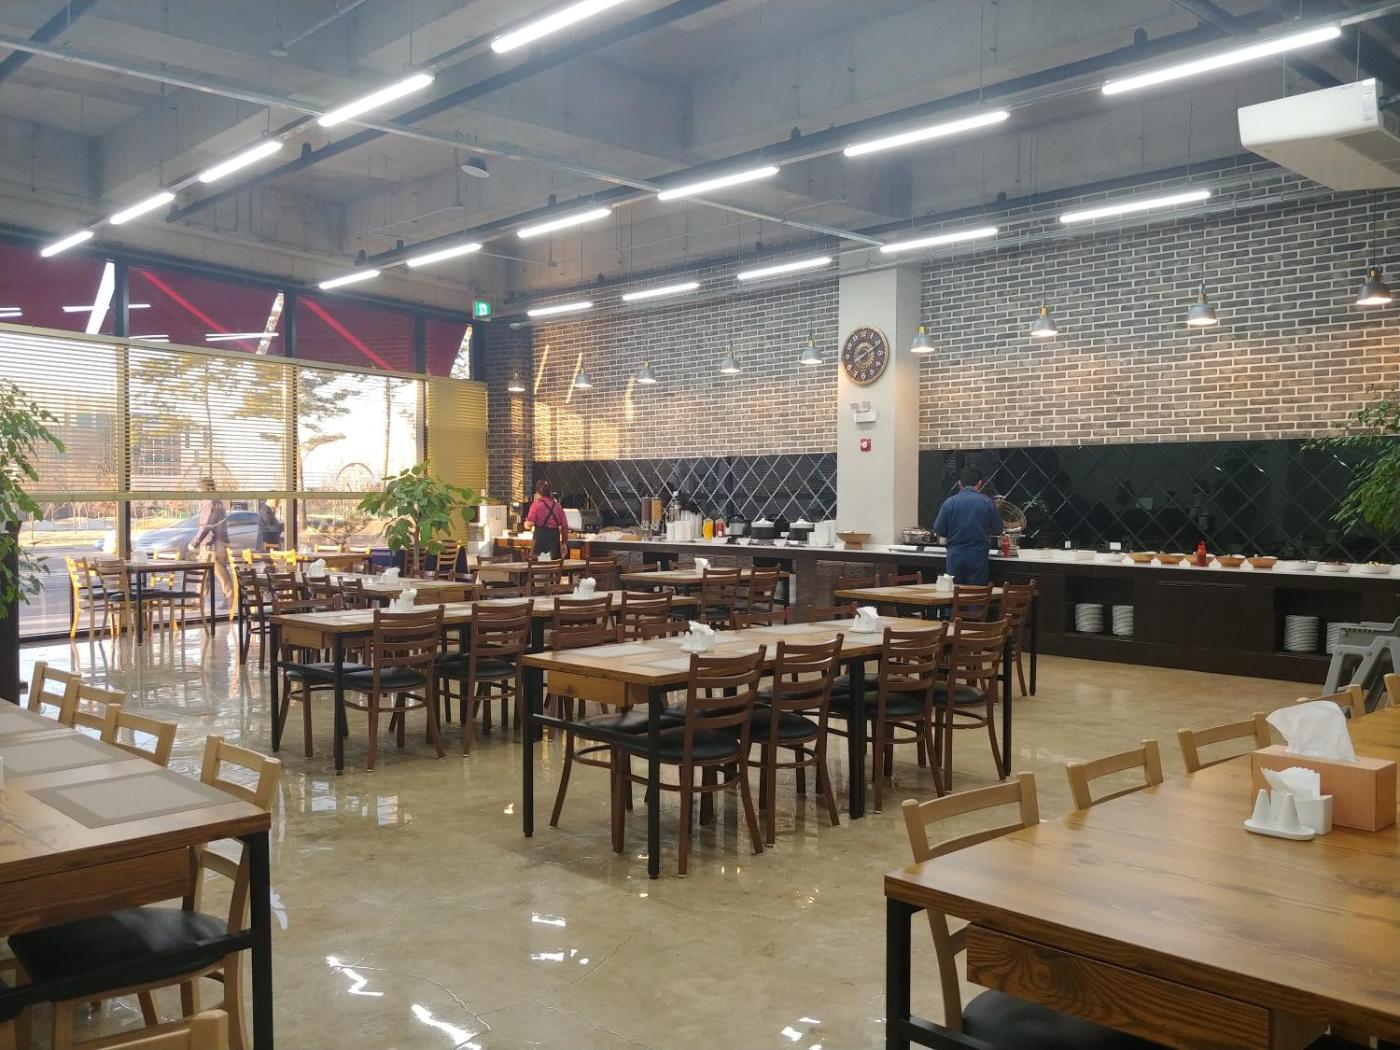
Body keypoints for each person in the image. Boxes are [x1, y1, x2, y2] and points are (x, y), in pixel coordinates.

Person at [933, 465, 1002, 585]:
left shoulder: (949, 503)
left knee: (954, 591)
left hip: (955, 555)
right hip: (978, 555)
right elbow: (998, 530)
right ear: (980, 483)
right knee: (975, 593)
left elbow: (938, 529)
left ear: (959, 483)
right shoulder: (987, 502)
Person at [191, 478, 233, 599]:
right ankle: (229, 600)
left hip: (211, 545)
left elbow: (207, 525)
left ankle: (199, 602)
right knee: (218, 575)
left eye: (199, 489)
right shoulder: (218, 502)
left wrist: (194, 542)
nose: (198, 492)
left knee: (205, 576)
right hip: (221, 543)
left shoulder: (210, 502)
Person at [525, 480, 569, 560]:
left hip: (540, 539)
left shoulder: (536, 505)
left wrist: (526, 524)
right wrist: (564, 543)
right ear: (550, 492)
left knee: (537, 564)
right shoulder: (557, 506)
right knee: (554, 563)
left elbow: (529, 524)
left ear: (537, 492)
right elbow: (565, 526)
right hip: (554, 539)